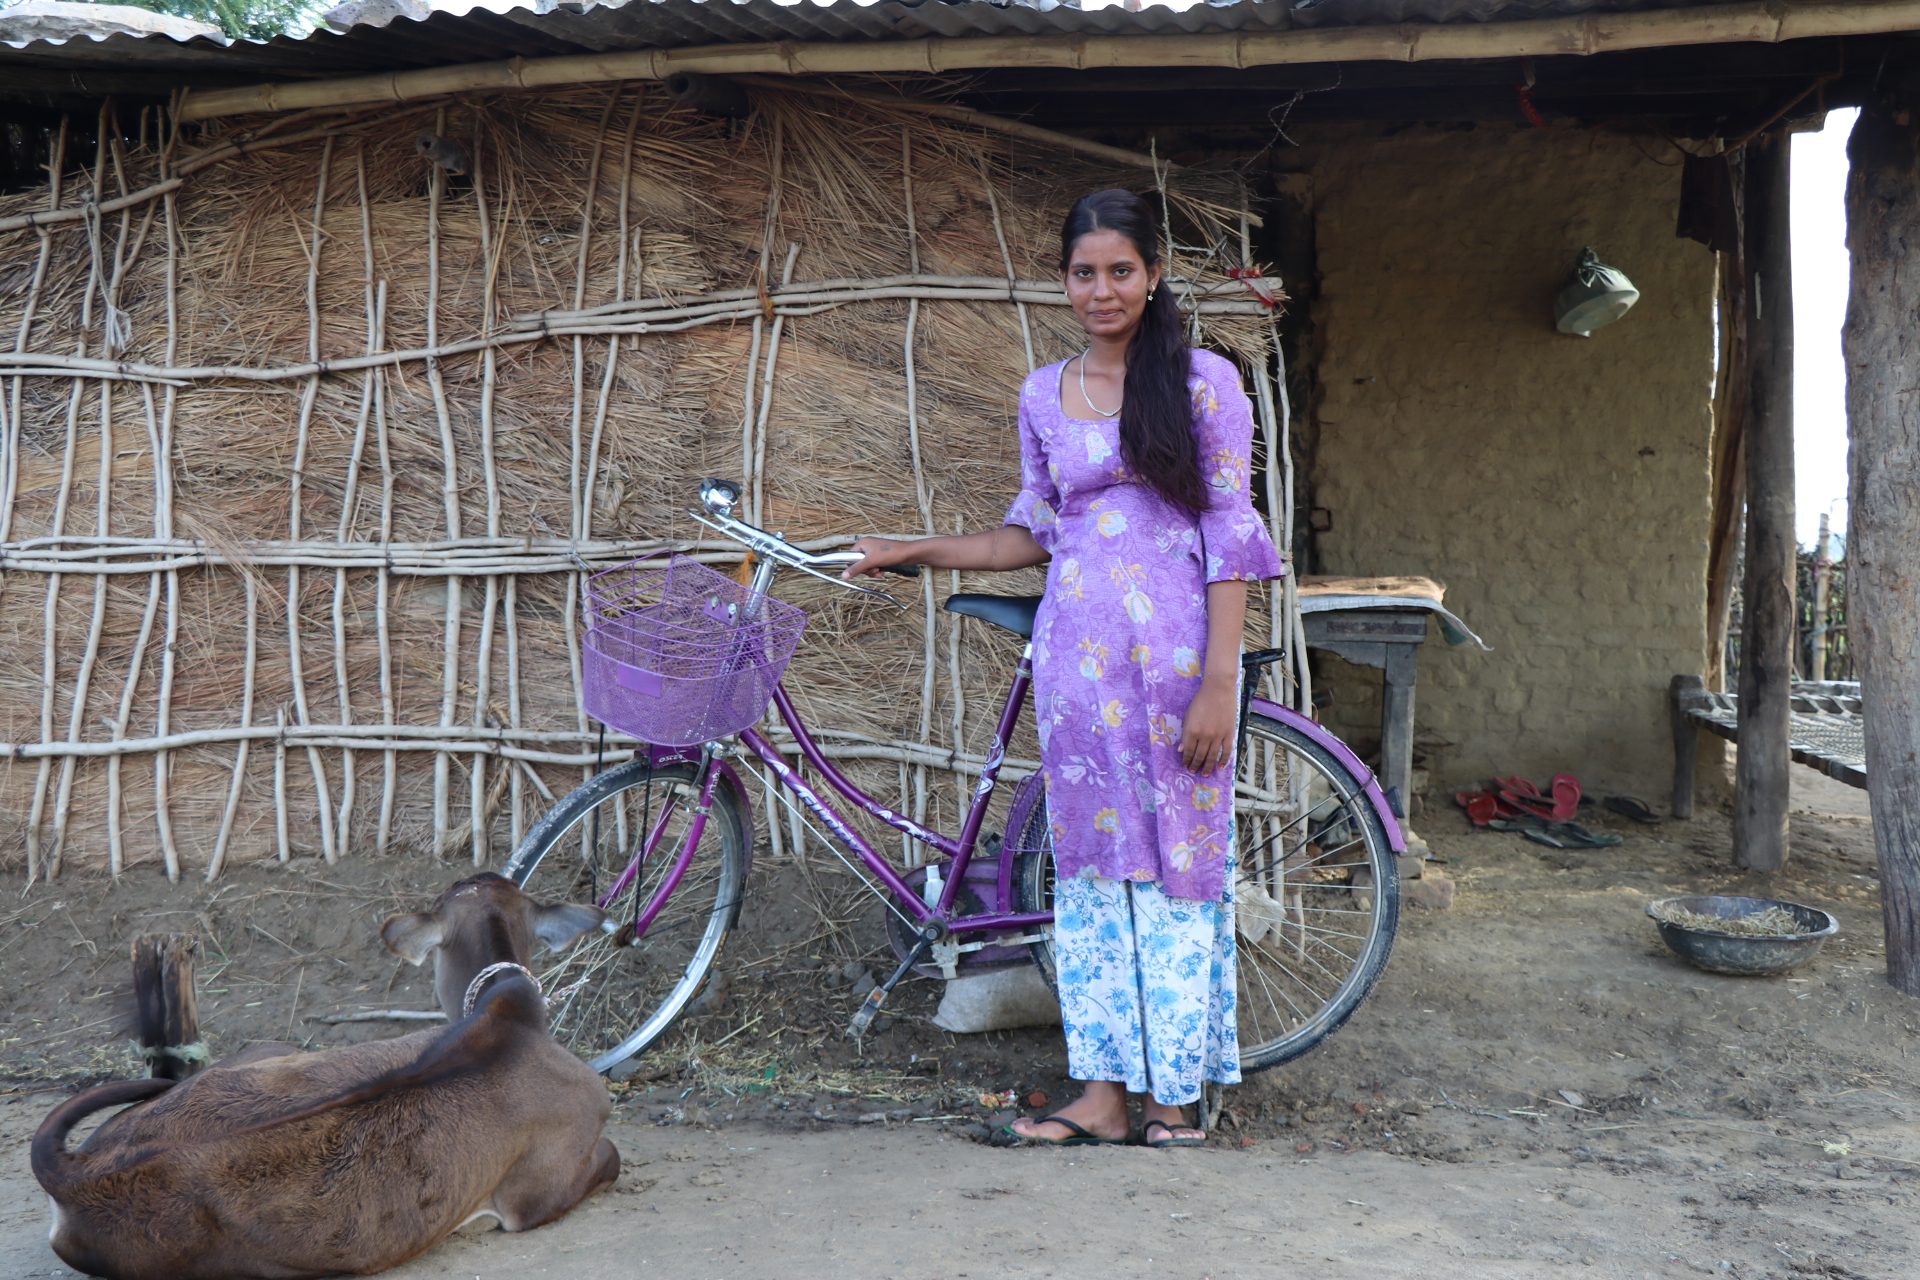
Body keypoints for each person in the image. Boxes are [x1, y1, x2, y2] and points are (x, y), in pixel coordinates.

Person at [844, 188, 1284, 1148]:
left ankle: (1174, 1098)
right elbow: (1027, 537)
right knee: (1091, 872)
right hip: (1078, 672)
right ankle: (1102, 1098)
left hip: (1177, 667)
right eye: (1084, 272)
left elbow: (1232, 530)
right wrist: (914, 549)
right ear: (1064, 281)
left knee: (1178, 867)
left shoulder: (1204, 382)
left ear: (1154, 274)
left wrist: (1221, 679)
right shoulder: (1043, 395)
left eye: (1120, 270)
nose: (1101, 290)